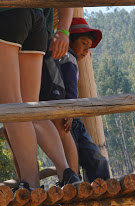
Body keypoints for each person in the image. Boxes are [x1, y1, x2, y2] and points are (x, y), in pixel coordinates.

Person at [0, 8, 80, 191]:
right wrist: (63, 30)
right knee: (31, 108)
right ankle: (67, 172)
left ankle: (31, 184)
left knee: (12, 106)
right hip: (38, 21)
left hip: (7, 15)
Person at [52, 17, 110, 182]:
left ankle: (77, 184)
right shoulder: (68, 58)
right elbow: (70, 87)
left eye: (89, 47)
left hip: (70, 118)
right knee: (95, 159)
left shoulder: (62, 58)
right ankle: (102, 188)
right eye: (83, 43)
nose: (86, 50)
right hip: (71, 119)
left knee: (75, 160)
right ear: (69, 39)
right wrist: (71, 110)